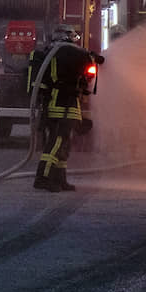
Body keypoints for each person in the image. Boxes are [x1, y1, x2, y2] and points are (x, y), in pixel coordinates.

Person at [30, 24, 96, 192]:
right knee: (57, 142)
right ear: (68, 36)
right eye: (74, 37)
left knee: (64, 144)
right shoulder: (69, 52)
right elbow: (88, 68)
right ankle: (44, 178)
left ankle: (60, 179)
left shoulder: (50, 52)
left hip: (61, 104)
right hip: (63, 105)